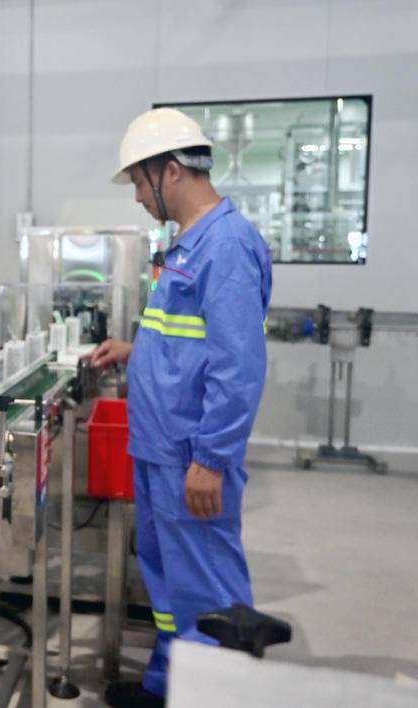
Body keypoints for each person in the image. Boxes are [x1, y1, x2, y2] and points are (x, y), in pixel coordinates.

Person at [89, 108, 272, 708]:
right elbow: (190, 340)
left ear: (170, 171)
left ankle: (218, 698)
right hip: (160, 448)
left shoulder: (227, 245)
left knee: (209, 594)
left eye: (139, 182)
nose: (138, 196)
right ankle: (170, 687)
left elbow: (237, 367)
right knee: (170, 589)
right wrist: (135, 349)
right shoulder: (188, 245)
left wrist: (212, 459)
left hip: (191, 454)